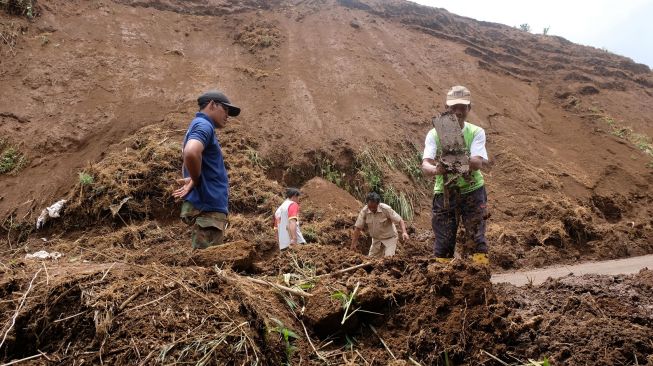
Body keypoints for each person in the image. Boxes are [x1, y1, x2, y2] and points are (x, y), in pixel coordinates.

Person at [421, 85, 490, 264]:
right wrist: (437, 170)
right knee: (443, 244)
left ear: (469, 108)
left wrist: (452, 160)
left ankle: (481, 282)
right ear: (447, 107)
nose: (458, 112)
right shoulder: (434, 133)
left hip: (472, 191)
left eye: (463, 107)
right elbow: (425, 165)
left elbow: (476, 163)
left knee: (477, 241)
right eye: (454, 107)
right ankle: (442, 283)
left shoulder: (476, 132)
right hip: (445, 192)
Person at [173, 90, 241, 249]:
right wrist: (195, 180)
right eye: (225, 109)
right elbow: (191, 152)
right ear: (212, 104)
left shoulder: (201, 126)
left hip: (208, 208)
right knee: (206, 265)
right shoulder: (204, 125)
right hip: (209, 210)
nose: (227, 115)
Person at [351, 192, 410, 257]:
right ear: (367, 204)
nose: (372, 209)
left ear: (378, 204)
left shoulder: (386, 209)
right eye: (370, 207)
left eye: (374, 207)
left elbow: (400, 220)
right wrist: (353, 244)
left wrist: (404, 232)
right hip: (376, 240)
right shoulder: (364, 211)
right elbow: (358, 228)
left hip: (390, 238)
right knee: (370, 261)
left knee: (389, 260)